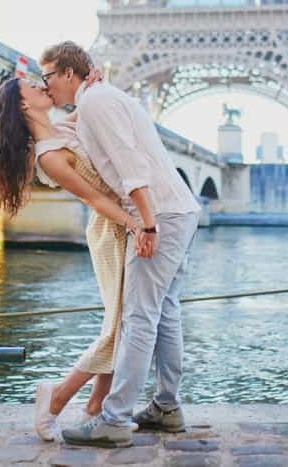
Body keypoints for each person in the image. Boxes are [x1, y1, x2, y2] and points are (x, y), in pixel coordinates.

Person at [38, 42, 201, 449]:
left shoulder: (97, 103)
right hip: (178, 209)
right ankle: (166, 406)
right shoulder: (100, 99)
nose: (46, 86)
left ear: (70, 74)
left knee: (138, 317)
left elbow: (131, 165)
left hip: (158, 214)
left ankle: (114, 419)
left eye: (49, 76)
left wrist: (145, 225)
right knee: (164, 312)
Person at [0, 77, 141, 442]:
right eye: (33, 85)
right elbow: (94, 200)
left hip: (122, 226)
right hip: (110, 231)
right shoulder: (48, 154)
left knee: (119, 324)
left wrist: (90, 86)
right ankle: (56, 397)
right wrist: (137, 225)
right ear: (22, 105)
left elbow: (87, 113)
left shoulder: (61, 127)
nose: (41, 84)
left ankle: (97, 405)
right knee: (119, 328)